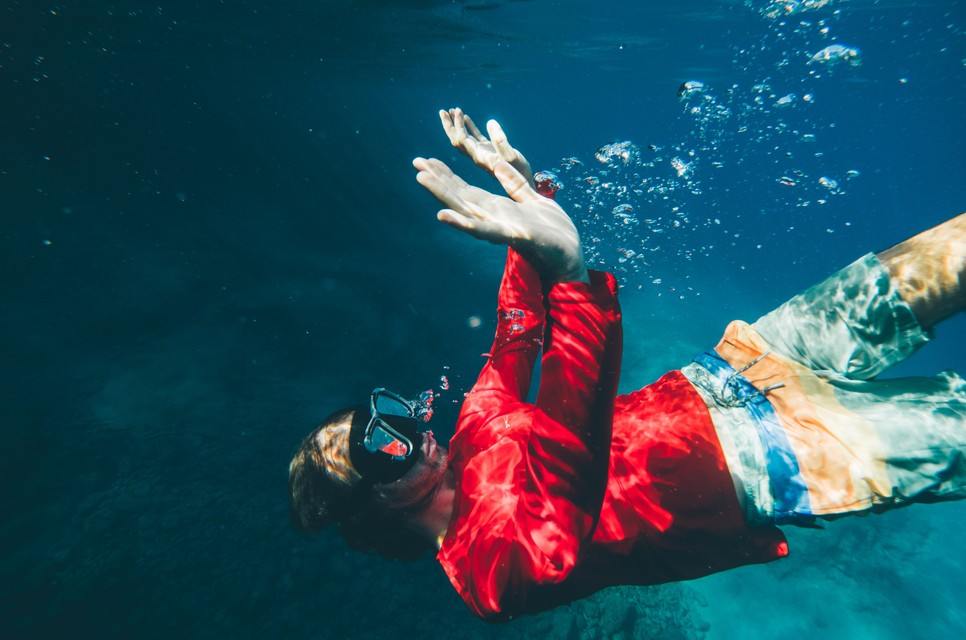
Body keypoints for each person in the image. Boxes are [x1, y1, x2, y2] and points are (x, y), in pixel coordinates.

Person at [289, 108, 966, 622]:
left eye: (391, 413)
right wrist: (570, 278)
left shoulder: (472, 432)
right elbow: (566, 464)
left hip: (742, 363)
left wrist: (530, 217)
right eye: (386, 446)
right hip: (794, 457)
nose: (414, 430)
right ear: (376, 502)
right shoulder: (490, 574)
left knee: (949, 253)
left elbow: (515, 334)